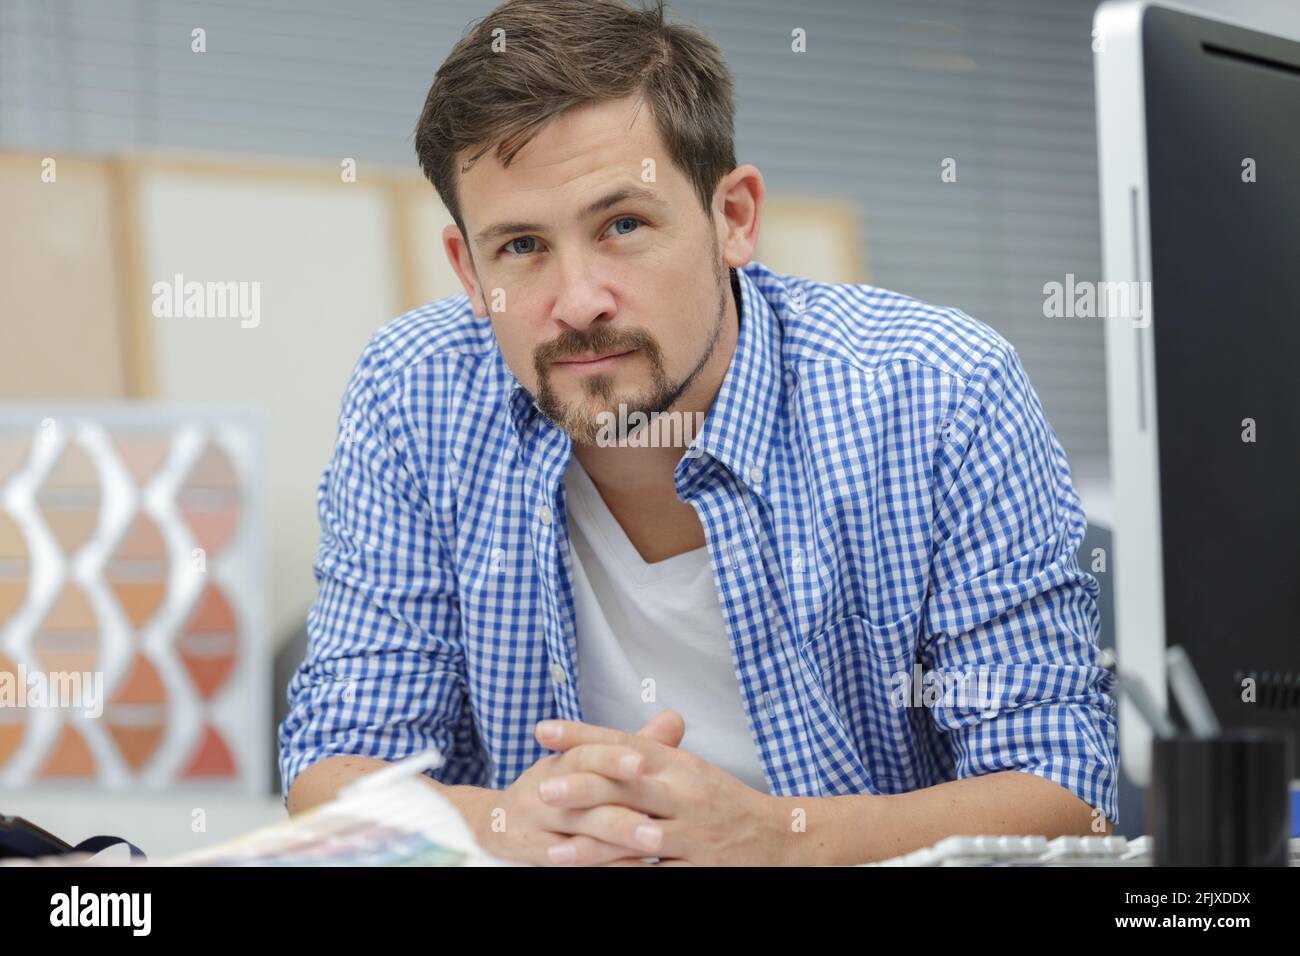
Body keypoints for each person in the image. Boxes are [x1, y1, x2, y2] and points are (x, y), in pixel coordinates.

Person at [279, 0, 1117, 866]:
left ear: (735, 219)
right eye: (522, 246)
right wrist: (501, 827)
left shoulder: (939, 390)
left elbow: (1065, 792)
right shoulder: (415, 392)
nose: (577, 301)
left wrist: (776, 841)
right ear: (468, 267)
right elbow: (333, 764)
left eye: (624, 226)